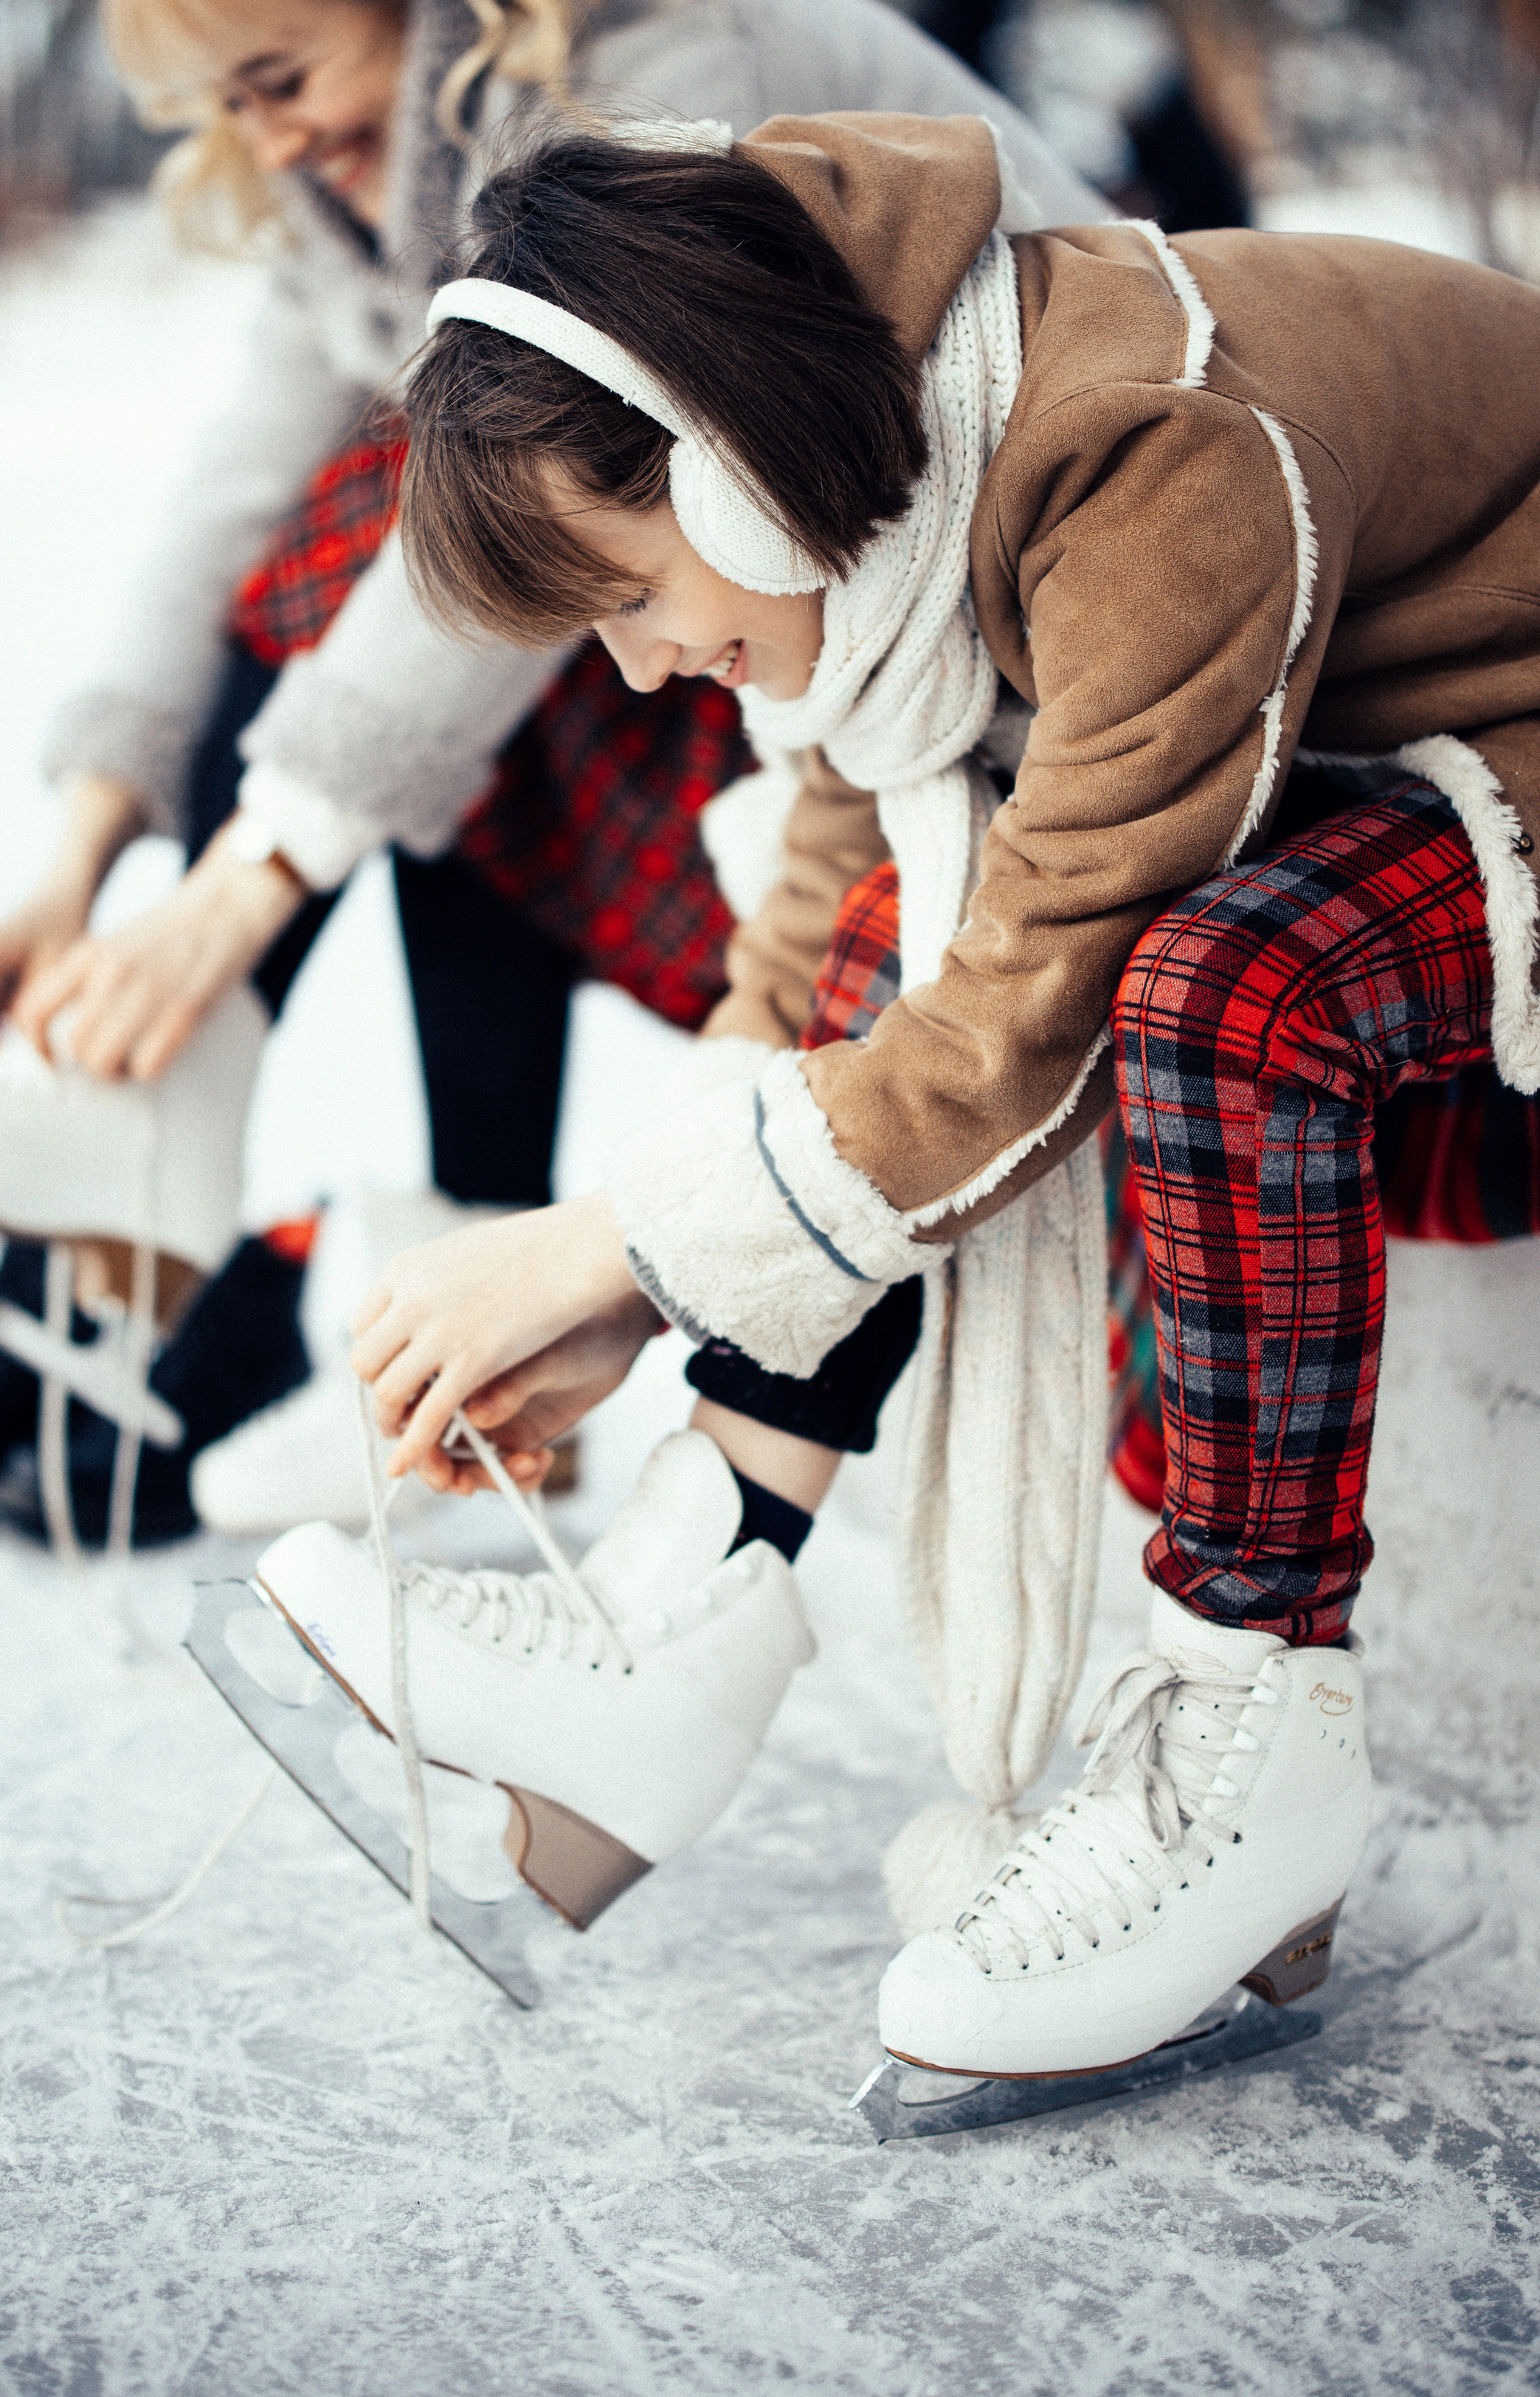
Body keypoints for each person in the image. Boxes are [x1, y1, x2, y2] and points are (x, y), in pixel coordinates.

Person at [248, 112, 1540, 2077]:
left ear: (736, 465)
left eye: (628, 589)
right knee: (898, 908)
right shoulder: (908, 480)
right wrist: (639, 1278)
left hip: (1503, 757)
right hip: (1404, 747)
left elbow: (1041, 999)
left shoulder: (1147, 452)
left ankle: (1254, 1733)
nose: (647, 663)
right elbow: (828, 944)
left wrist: (622, 1246)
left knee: (1214, 985)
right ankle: (690, 1597)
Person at [0, 0, 1102, 1545]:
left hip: (1016, 620)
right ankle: (203, 1183)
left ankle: (216, 1193)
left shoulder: (635, 48)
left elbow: (560, 490)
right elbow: (228, 496)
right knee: (359, 541)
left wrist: (242, 887)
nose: (265, 139)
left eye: (279, 76)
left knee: (429, 533)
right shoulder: (363, 175)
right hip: (787, 620)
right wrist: (83, 859)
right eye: (226, 108)